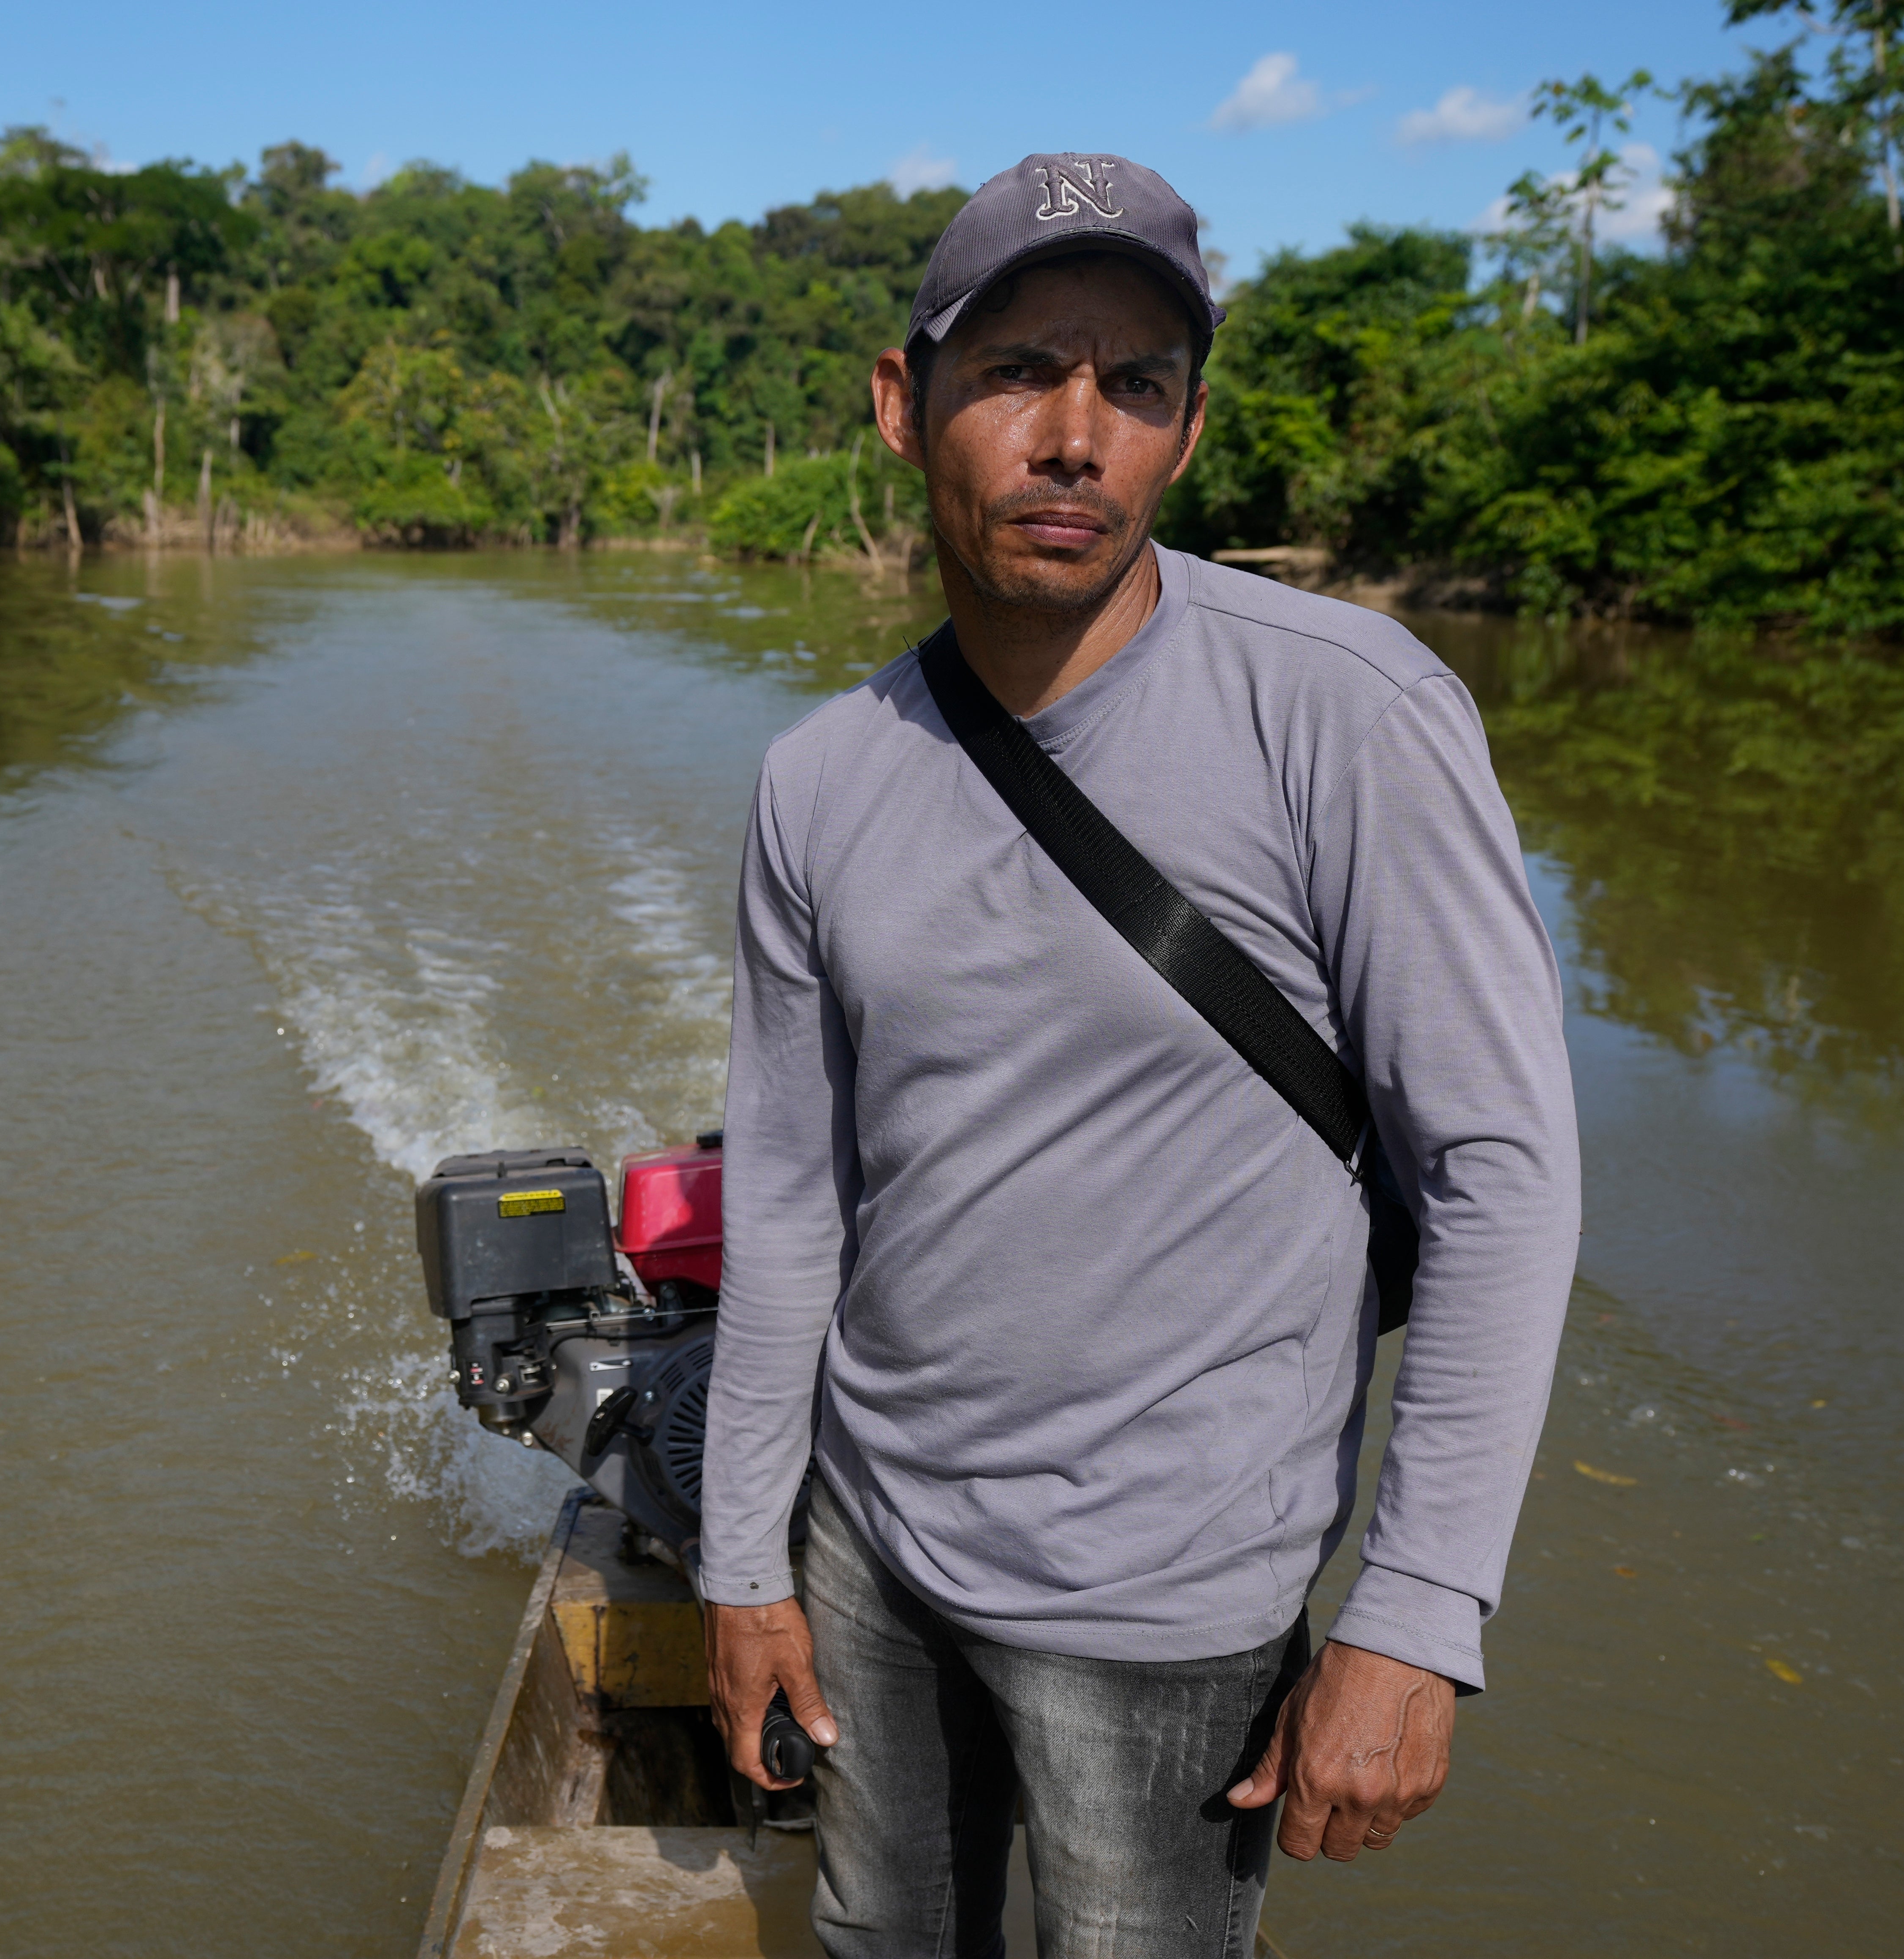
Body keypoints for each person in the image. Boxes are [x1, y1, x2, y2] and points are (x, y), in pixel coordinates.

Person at [697, 152, 1581, 1959]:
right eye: (1019, 368)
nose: (1075, 434)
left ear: (1186, 430)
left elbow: (1502, 1172)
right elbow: (785, 1192)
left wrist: (1415, 1614)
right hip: (870, 1548)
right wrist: (740, 1561)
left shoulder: (1351, 713)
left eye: (1136, 385)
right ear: (902, 402)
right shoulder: (821, 777)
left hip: (1173, 1598)